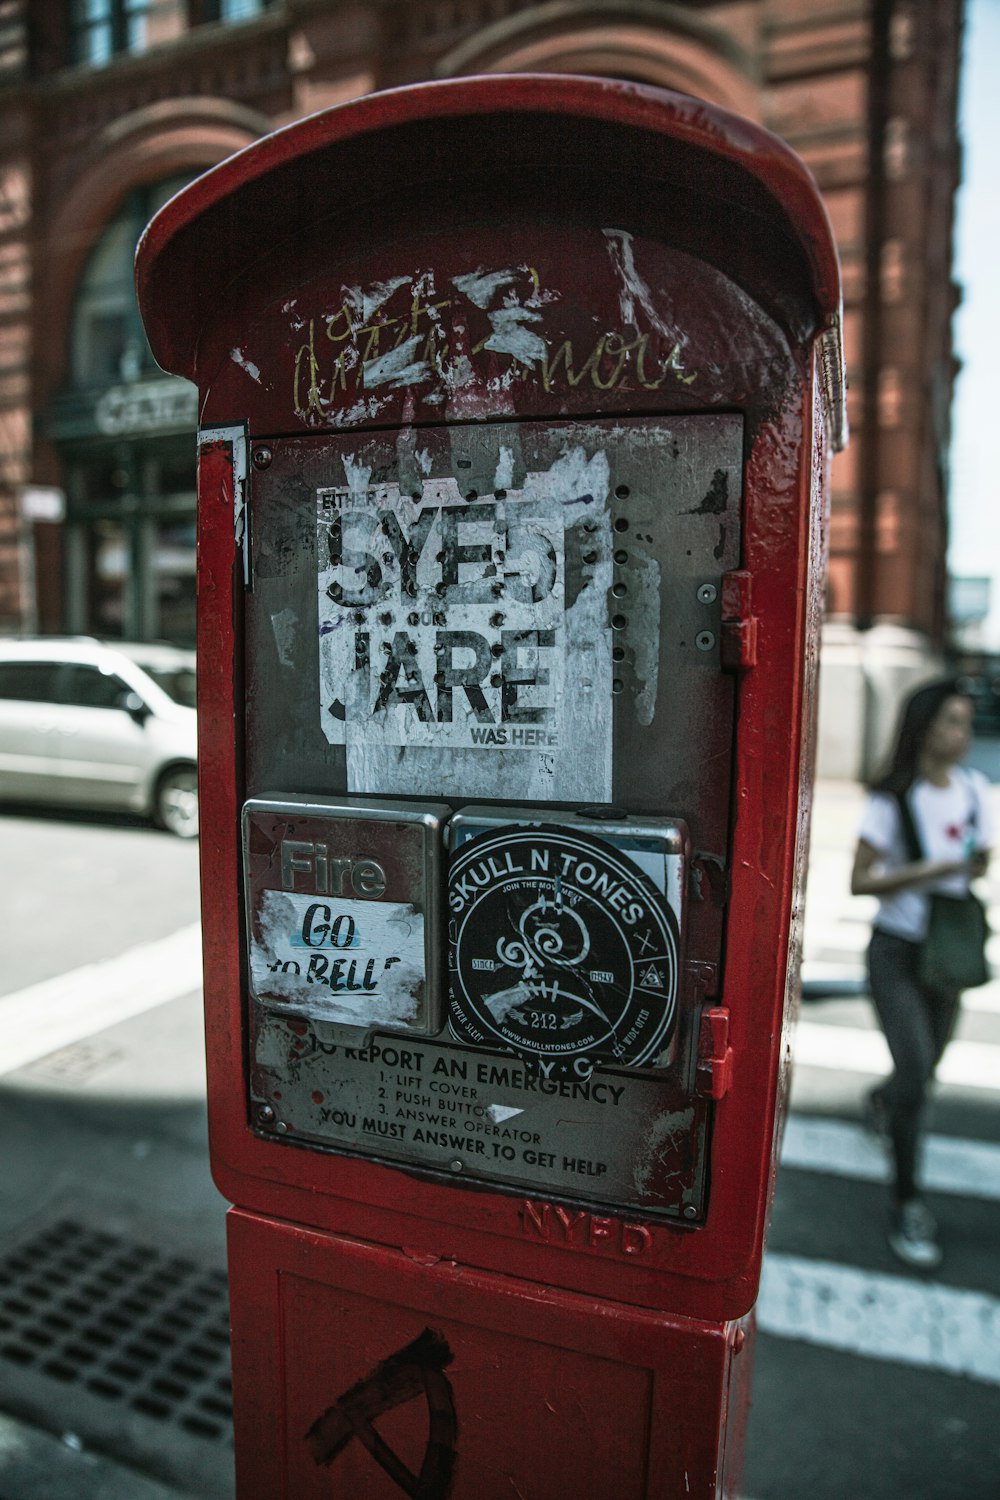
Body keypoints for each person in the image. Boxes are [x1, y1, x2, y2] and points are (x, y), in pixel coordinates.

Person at [850, 679, 992, 1270]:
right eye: (952, 721)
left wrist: (967, 867)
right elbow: (859, 882)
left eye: (966, 722)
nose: (962, 734)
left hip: (947, 956)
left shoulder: (978, 792)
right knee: (917, 1074)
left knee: (921, 1071)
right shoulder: (893, 798)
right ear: (925, 726)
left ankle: (882, 1101)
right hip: (896, 954)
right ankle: (908, 1199)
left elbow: (974, 867)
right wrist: (928, 870)